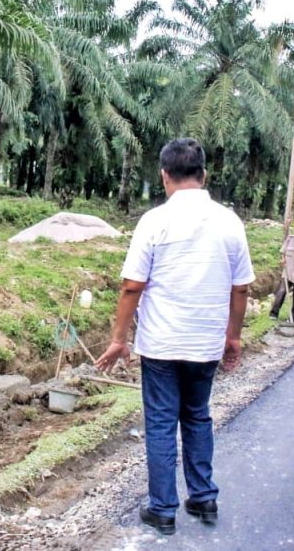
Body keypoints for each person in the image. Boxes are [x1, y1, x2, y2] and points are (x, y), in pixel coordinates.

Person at [94, 138, 255, 536]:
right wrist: (232, 337)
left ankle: (163, 509)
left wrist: (119, 338)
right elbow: (241, 289)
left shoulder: (154, 221)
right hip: (205, 344)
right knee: (197, 416)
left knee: (162, 423)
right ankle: (204, 498)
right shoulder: (229, 222)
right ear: (204, 175)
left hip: (161, 345)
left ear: (164, 176)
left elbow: (132, 286)